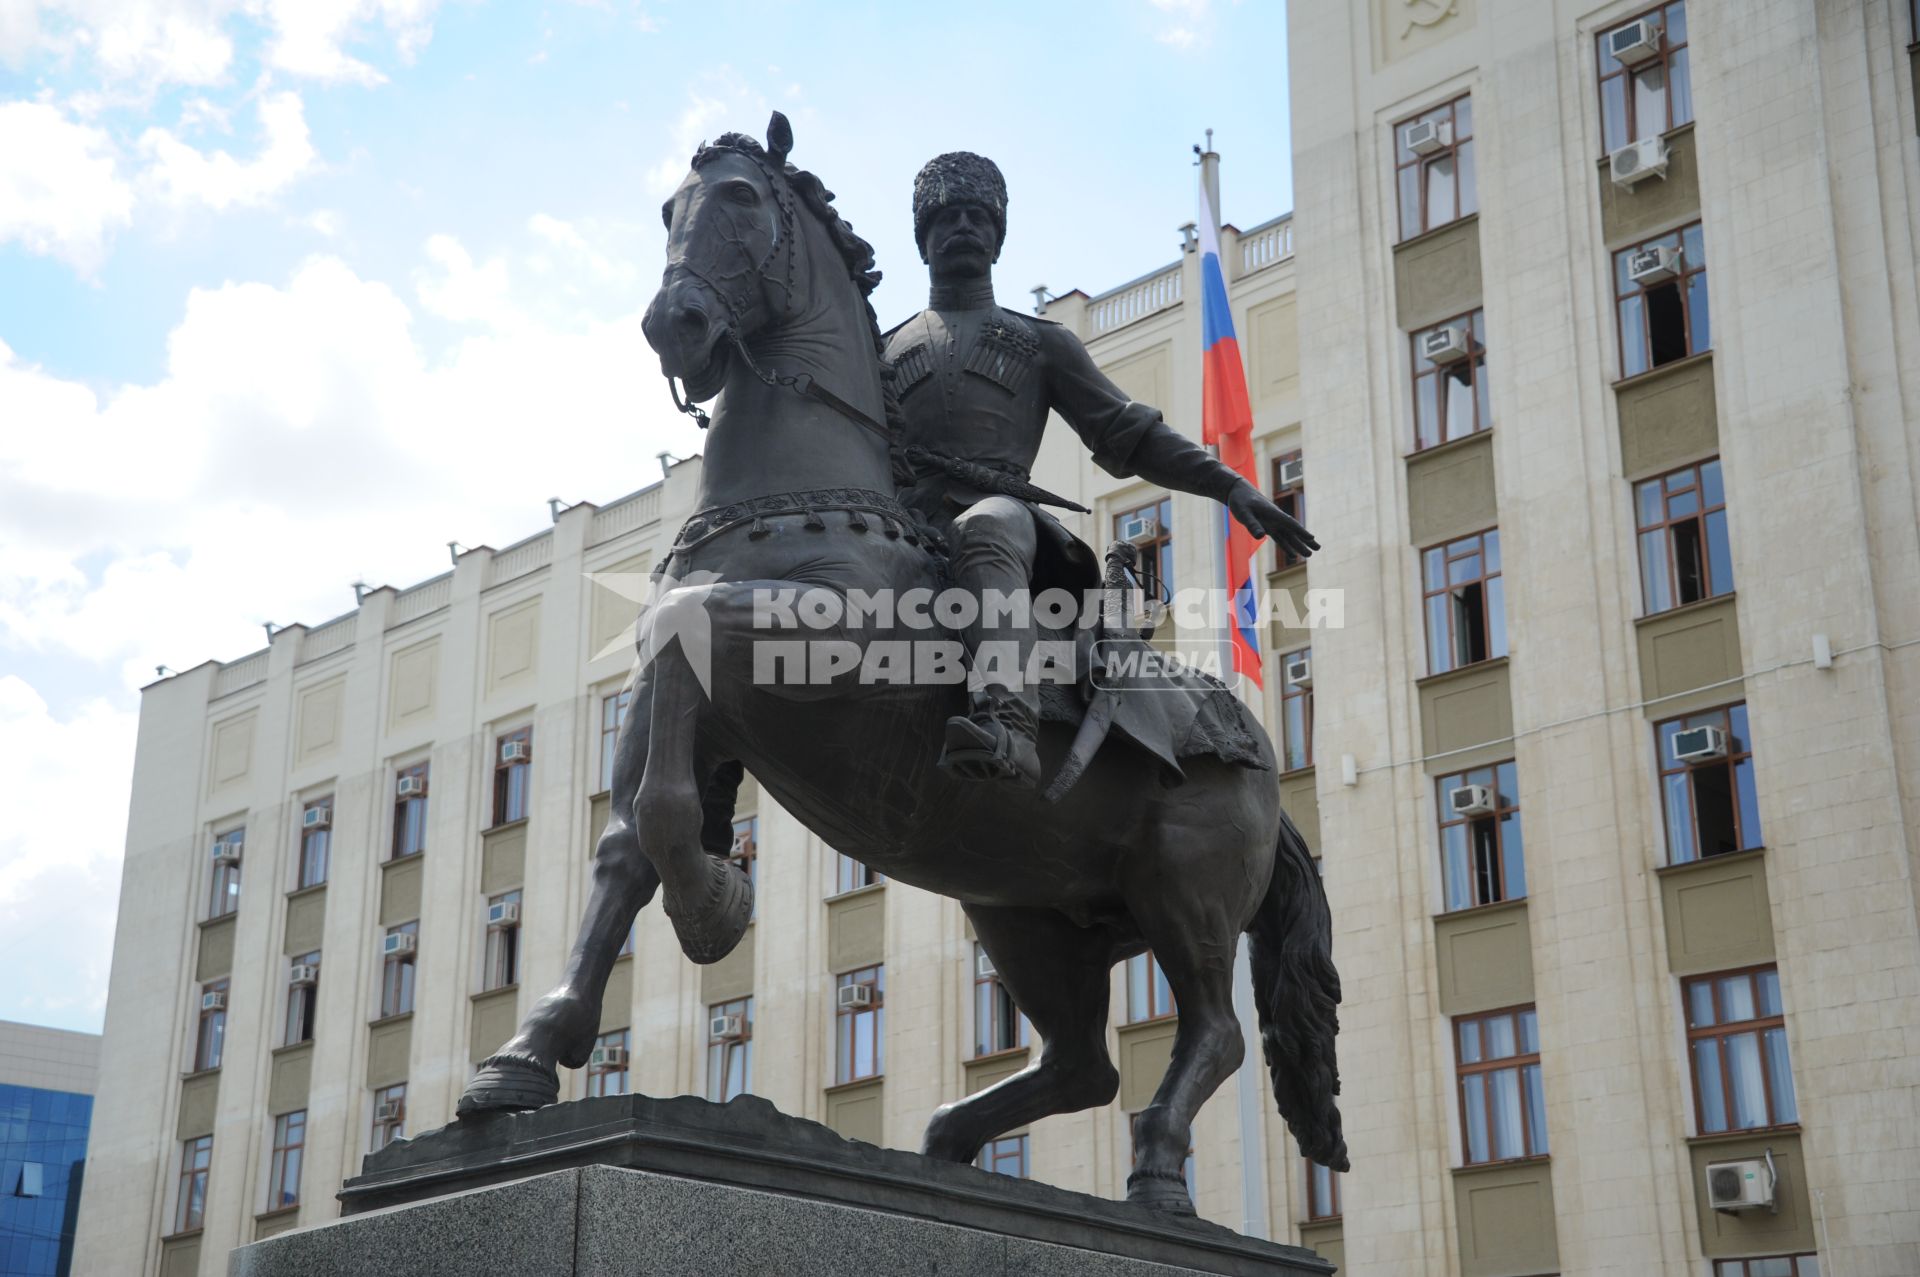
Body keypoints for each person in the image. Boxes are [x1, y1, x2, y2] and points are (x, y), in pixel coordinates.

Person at [885, 152, 1317, 788]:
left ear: (999, 238)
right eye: (947, 217)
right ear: (923, 238)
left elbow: (1128, 434)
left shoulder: (1040, 342)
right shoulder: (882, 351)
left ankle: (1011, 721)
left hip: (1003, 523)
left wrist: (1227, 485)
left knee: (985, 526)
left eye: (979, 217)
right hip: (902, 525)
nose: (964, 228)